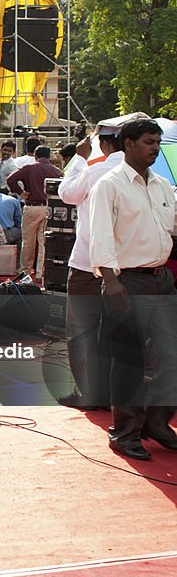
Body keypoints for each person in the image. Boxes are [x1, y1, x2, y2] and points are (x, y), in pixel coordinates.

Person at [88, 118, 177, 461]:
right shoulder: (109, 185)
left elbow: (169, 226)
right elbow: (101, 236)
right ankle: (125, 434)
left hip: (161, 279)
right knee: (129, 361)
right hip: (127, 281)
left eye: (157, 142)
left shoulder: (161, 186)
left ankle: (155, 420)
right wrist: (111, 282)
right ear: (128, 144)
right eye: (148, 142)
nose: (155, 147)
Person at [57, 117, 128, 409]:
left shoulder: (96, 169)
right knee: (116, 334)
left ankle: (88, 392)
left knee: (83, 331)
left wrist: (80, 157)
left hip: (88, 263)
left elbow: (66, 194)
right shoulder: (144, 175)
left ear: (105, 143)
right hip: (125, 267)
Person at [8, 145, 63, 280]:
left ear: (35, 156)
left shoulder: (29, 168)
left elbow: (11, 179)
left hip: (31, 207)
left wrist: (21, 193)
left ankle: (25, 271)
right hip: (48, 208)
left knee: (28, 241)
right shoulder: (56, 171)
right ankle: (40, 272)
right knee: (43, 242)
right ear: (49, 156)